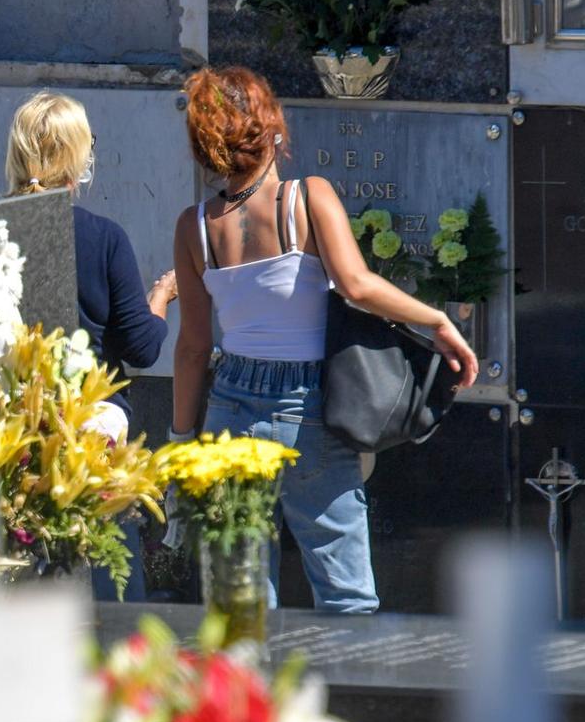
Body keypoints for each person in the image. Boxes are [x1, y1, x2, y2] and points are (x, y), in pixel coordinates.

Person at [170, 65, 478, 614]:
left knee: (238, 600)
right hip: (307, 406)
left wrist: (178, 438)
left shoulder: (193, 226)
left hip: (227, 405)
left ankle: (246, 700)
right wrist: (436, 321)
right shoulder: (307, 198)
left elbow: (194, 346)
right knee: (346, 594)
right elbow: (358, 286)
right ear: (272, 130)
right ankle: (357, 700)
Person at [5, 91, 175, 600]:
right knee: (107, 574)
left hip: (12, 427)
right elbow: (143, 347)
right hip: (89, 431)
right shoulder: (103, 238)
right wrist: (160, 299)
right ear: (76, 158)